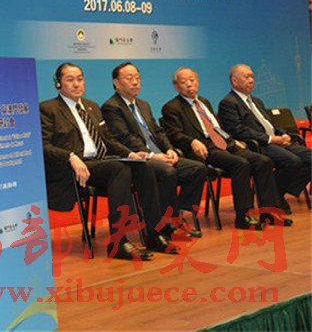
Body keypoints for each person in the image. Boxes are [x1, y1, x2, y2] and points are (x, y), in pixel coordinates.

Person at [40, 63, 179, 261]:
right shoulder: (48, 109)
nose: (77, 84)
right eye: (70, 80)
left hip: (101, 163)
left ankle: (154, 234)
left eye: (80, 79)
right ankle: (118, 242)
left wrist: (130, 154)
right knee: (118, 169)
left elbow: (108, 140)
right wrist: (70, 156)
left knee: (143, 167)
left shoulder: (91, 106)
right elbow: (44, 146)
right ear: (58, 84)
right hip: (74, 168)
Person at [161, 67, 292, 231]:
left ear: (198, 82)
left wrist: (232, 140)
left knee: (263, 161)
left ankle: (268, 212)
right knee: (240, 164)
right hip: (205, 150)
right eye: (183, 82)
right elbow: (173, 134)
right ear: (176, 86)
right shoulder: (172, 107)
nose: (189, 84)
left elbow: (216, 127)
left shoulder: (204, 102)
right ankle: (243, 216)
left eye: (192, 80)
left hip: (225, 144)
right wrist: (192, 141)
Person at [101, 62, 206, 238]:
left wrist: (170, 149)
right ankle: (167, 222)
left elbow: (158, 131)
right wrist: (152, 156)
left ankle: (176, 215)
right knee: (168, 172)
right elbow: (125, 137)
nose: (135, 82)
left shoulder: (143, 104)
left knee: (198, 169)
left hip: (160, 155)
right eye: (129, 78)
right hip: (139, 159)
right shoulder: (112, 107)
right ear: (116, 83)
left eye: (137, 78)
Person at [218, 63, 310, 214]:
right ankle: (274, 196)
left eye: (252, 77)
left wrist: (283, 134)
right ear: (234, 81)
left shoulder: (257, 101)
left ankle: (276, 192)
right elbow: (238, 130)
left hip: (275, 141)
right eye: (246, 77)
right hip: (259, 145)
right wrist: (270, 139)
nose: (251, 80)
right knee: (293, 162)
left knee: (309, 158)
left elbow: (270, 124)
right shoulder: (228, 103)